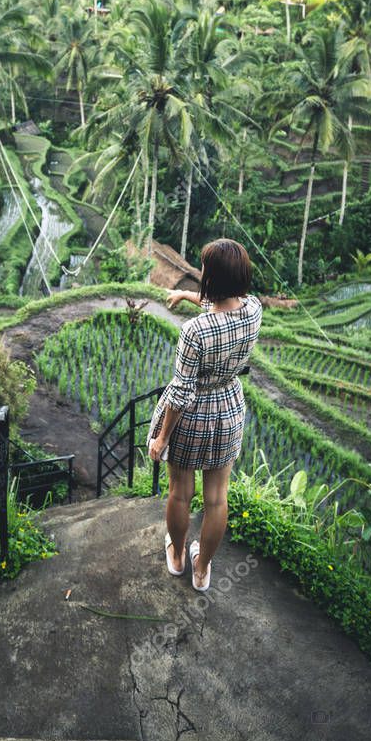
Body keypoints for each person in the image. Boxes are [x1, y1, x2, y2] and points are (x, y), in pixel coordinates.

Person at [147, 238, 263, 592]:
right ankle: (201, 570)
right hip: (228, 408)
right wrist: (184, 296)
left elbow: (181, 393)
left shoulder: (194, 332)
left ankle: (178, 557)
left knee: (180, 493)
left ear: (210, 277)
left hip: (192, 416)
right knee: (217, 498)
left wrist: (161, 437)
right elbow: (223, 307)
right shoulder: (254, 310)